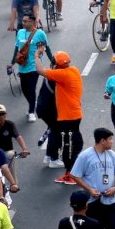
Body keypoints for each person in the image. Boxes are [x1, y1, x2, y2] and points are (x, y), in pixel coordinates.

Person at [35, 49, 83, 184]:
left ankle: (71, 174)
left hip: (68, 117)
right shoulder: (73, 70)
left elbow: (40, 70)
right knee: (68, 144)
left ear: (57, 65)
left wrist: (36, 56)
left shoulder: (62, 74)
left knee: (70, 146)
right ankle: (68, 172)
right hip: (72, 114)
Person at [9, 14, 53, 121]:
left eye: (26, 21)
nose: (23, 23)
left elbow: (47, 48)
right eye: (22, 21)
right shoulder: (20, 33)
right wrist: (12, 63)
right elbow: (17, 49)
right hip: (22, 67)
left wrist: (53, 61)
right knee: (24, 89)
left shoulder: (40, 34)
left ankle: (31, 111)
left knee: (31, 88)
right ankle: (33, 103)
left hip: (34, 67)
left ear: (33, 22)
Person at [0, 106, 28, 186]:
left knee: (11, 155)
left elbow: (18, 137)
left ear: (6, 115)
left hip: (7, 152)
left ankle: (13, 184)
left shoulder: (10, 124)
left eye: (3, 114)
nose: (1, 117)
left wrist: (24, 149)